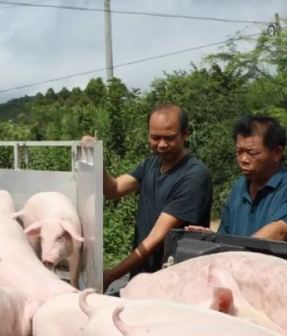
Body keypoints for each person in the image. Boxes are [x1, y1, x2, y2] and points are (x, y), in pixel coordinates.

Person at [83, 103, 213, 292]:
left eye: (169, 138)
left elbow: (155, 239)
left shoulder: (193, 176)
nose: (161, 144)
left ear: (185, 134)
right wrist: (97, 160)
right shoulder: (151, 164)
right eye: (155, 137)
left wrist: (112, 275)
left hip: (174, 283)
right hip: (143, 278)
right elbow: (113, 190)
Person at [186, 115, 287, 243]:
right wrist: (212, 239)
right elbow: (226, 237)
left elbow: (277, 233)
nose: (243, 159)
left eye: (252, 153)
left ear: (277, 153)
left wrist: (231, 252)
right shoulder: (239, 187)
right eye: (239, 152)